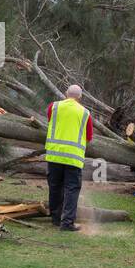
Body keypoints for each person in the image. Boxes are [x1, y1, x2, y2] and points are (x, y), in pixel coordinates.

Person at [44, 84, 94, 232]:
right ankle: (67, 223)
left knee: (54, 187)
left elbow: (50, 122)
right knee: (71, 189)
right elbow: (89, 136)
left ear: (66, 94)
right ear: (80, 97)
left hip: (54, 155)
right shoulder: (85, 113)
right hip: (73, 158)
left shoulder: (53, 107)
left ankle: (55, 218)